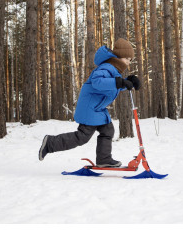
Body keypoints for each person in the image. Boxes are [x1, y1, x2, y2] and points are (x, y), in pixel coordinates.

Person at [38, 38, 141, 167]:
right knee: (82, 137)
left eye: (130, 60)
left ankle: (104, 159)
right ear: (119, 57)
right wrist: (119, 82)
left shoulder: (112, 70)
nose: (128, 63)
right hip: (90, 109)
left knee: (107, 131)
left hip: (98, 109)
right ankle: (50, 143)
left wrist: (128, 82)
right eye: (127, 59)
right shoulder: (106, 67)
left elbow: (110, 86)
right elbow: (98, 83)